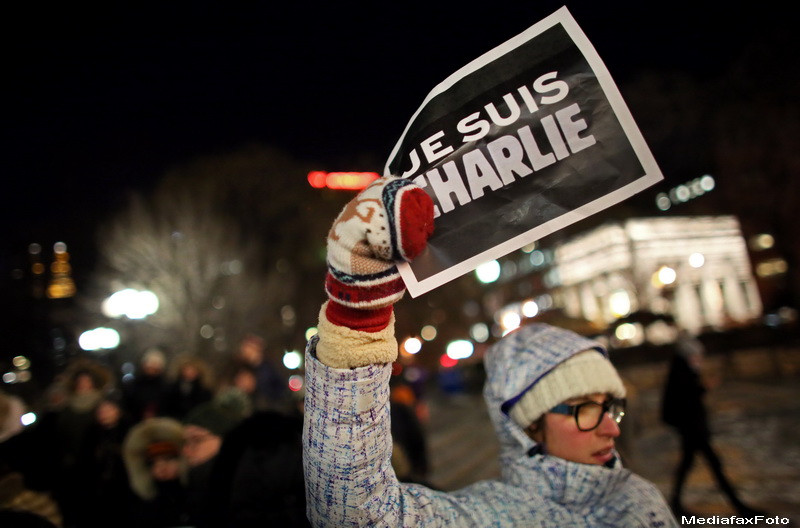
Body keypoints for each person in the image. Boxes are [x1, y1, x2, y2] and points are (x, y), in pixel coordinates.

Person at [302, 177, 677, 527]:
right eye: (586, 409)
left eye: (609, 405)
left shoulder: (641, 499)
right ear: (528, 425)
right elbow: (356, 515)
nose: (611, 427)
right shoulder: (491, 517)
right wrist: (357, 312)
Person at [661, 331, 764, 517]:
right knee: (712, 465)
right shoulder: (682, 369)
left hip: (691, 428)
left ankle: (676, 503)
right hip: (692, 428)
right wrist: (703, 387)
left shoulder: (681, 368)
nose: (698, 359)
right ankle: (739, 507)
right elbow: (686, 398)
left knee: (689, 464)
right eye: (696, 355)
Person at [123, 417, 190, 527]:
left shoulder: (195, 494)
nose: (161, 467)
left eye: (168, 459)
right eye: (153, 463)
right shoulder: (145, 504)